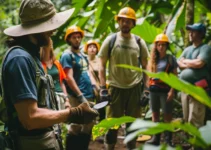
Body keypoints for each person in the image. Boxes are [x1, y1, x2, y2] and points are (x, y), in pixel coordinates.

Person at [2, 0, 98, 150]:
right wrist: (73, 113)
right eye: (49, 26)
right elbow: (30, 118)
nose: (53, 31)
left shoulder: (31, 56)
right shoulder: (19, 59)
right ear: (36, 29)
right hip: (29, 143)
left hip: (41, 139)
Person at [98, 7, 150, 150]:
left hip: (134, 89)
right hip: (115, 88)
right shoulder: (111, 40)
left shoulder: (140, 42)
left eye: (129, 21)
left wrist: (146, 89)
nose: (125, 24)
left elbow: (146, 67)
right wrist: (103, 88)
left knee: (133, 126)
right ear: (119, 22)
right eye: (123, 21)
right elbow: (101, 65)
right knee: (112, 126)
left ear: (133, 24)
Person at [60, 26, 96, 150]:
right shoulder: (67, 55)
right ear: (69, 39)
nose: (77, 39)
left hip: (88, 94)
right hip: (76, 96)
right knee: (75, 125)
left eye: (79, 37)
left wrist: (95, 87)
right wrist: (80, 96)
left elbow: (88, 73)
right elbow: (69, 78)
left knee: (88, 124)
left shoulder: (82, 55)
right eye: (74, 37)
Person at [177, 23, 211, 128]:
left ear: (201, 34)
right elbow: (178, 63)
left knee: (196, 118)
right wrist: (192, 64)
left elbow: (199, 63)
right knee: (187, 118)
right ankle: (192, 142)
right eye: (190, 31)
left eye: (193, 31)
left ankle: (197, 144)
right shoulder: (187, 49)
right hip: (185, 90)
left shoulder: (205, 48)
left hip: (198, 90)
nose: (190, 34)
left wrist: (186, 61)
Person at [146, 33, 177, 146]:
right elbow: (149, 76)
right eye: (159, 45)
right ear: (156, 46)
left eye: (163, 45)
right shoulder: (153, 59)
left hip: (165, 91)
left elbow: (175, 76)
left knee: (167, 115)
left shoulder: (170, 59)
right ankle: (156, 139)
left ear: (166, 46)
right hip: (154, 90)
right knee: (155, 115)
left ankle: (168, 140)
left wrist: (172, 91)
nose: (161, 47)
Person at [40, 38, 70, 110]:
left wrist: (67, 100)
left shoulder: (56, 63)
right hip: (48, 98)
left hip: (60, 96)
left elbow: (62, 83)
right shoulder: (39, 64)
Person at [84, 40, 106, 121]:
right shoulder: (84, 60)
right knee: (90, 107)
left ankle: (102, 124)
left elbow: (102, 74)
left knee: (101, 107)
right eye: (90, 47)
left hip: (98, 87)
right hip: (87, 87)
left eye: (94, 47)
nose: (92, 49)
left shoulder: (99, 60)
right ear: (87, 49)